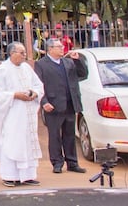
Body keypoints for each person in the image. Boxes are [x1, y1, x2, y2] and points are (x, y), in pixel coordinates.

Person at [0, 41, 44, 187]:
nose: (24, 56)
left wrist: (34, 93)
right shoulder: (3, 70)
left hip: (28, 112)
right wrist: (15, 95)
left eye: (25, 53)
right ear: (12, 53)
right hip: (12, 113)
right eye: (21, 53)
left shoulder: (26, 68)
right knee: (12, 143)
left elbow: (38, 85)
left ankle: (28, 176)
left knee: (28, 143)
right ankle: (9, 176)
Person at [34, 38, 88, 174]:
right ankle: (57, 162)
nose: (62, 48)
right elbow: (37, 85)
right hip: (53, 105)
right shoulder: (41, 64)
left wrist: (77, 60)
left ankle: (72, 162)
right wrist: (44, 101)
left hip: (69, 104)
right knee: (54, 136)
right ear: (50, 49)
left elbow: (83, 74)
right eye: (58, 46)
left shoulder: (68, 61)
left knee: (69, 134)